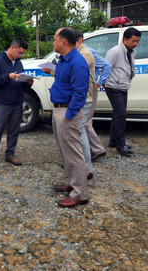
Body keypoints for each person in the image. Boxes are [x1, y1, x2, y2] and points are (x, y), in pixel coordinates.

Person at [49, 27, 90, 208]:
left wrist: (68, 115)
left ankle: (80, 193)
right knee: (65, 151)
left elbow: (80, 94)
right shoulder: (64, 60)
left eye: (55, 39)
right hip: (59, 110)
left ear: (63, 42)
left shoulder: (77, 62)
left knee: (73, 153)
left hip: (67, 113)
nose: (53, 43)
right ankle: (72, 183)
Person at [0, 37, 33, 170]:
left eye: (22, 53)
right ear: (12, 48)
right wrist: (7, 77)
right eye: (19, 52)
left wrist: (27, 82)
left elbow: (21, 78)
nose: (20, 55)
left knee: (14, 129)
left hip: (17, 101)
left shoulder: (18, 63)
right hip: (3, 102)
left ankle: (10, 154)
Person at [104, 27, 141, 156]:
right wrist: (104, 82)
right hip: (114, 87)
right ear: (124, 39)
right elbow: (105, 68)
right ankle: (121, 145)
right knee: (121, 115)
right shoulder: (115, 51)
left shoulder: (131, 52)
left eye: (137, 41)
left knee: (117, 115)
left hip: (123, 86)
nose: (135, 43)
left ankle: (113, 141)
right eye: (133, 40)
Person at [73, 30, 96, 181]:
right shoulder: (78, 53)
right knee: (78, 132)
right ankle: (79, 165)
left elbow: (72, 72)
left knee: (80, 132)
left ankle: (86, 169)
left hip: (84, 99)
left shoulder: (84, 55)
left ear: (79, 40)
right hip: (81, 98)